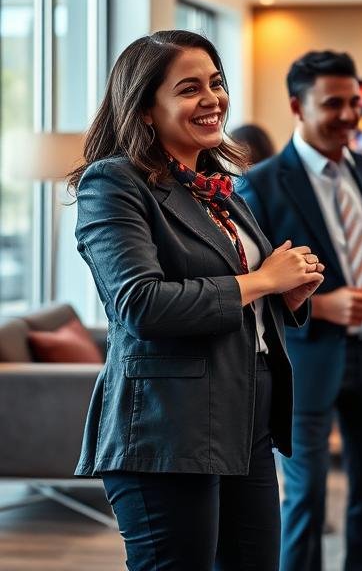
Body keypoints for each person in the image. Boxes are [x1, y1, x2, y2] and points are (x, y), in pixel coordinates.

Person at [67, 30, 325, 571]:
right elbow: (141, 305)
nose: (212, 99)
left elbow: (240, 294)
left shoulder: (212, 184)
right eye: (189, 89)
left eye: (216, 83)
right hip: (168, 429)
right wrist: (262, 282)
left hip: (244, 420)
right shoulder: (112, 183)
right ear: (142, 109)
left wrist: (287, 296)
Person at [237, 50, 362, 571]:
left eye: (354, 102)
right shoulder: (261, 185)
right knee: (306, 503)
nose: (348, 114)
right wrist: (321, 305)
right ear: (297, 106)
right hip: (305, 361)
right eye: (333, 103)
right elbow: (255, 284)